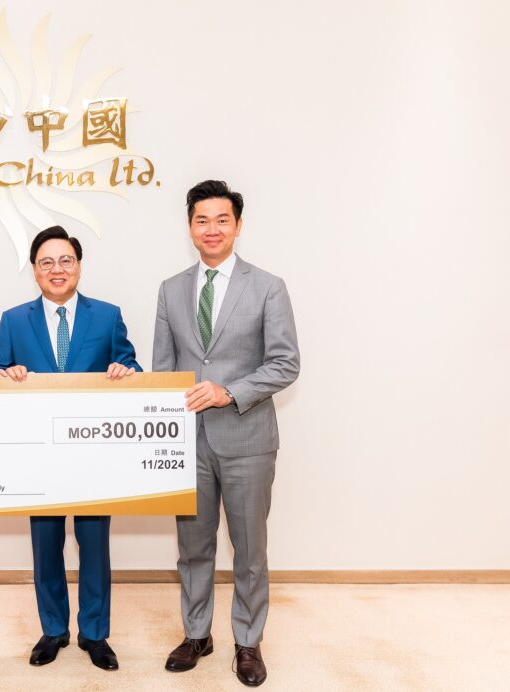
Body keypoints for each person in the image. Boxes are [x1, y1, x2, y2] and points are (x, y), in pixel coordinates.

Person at [153, 180, 299, 687]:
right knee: (192, 548)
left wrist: (229, 391)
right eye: (202, 220)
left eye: (222, 220)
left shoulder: (268, 286)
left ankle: (248, 642)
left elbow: (285, 363)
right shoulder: (171, 289)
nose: (211, 229)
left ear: (237, 226)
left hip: (248, 440)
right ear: (189, 227)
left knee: (249, 549)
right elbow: (164, 369)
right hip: (186, 442)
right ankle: (197, 634)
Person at [0, 225, 140, 672]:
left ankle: (95, 633)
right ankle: (53, 629)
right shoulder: (13, 320)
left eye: (65, 260)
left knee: (95, 547)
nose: (57, 269)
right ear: (35, 270)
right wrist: (7, 375)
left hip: (93, 455)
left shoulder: (108, 315)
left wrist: (125, 370)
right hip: (37, 455)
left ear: (78, 266)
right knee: (45, 545)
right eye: (47, 262)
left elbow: (130, 364)